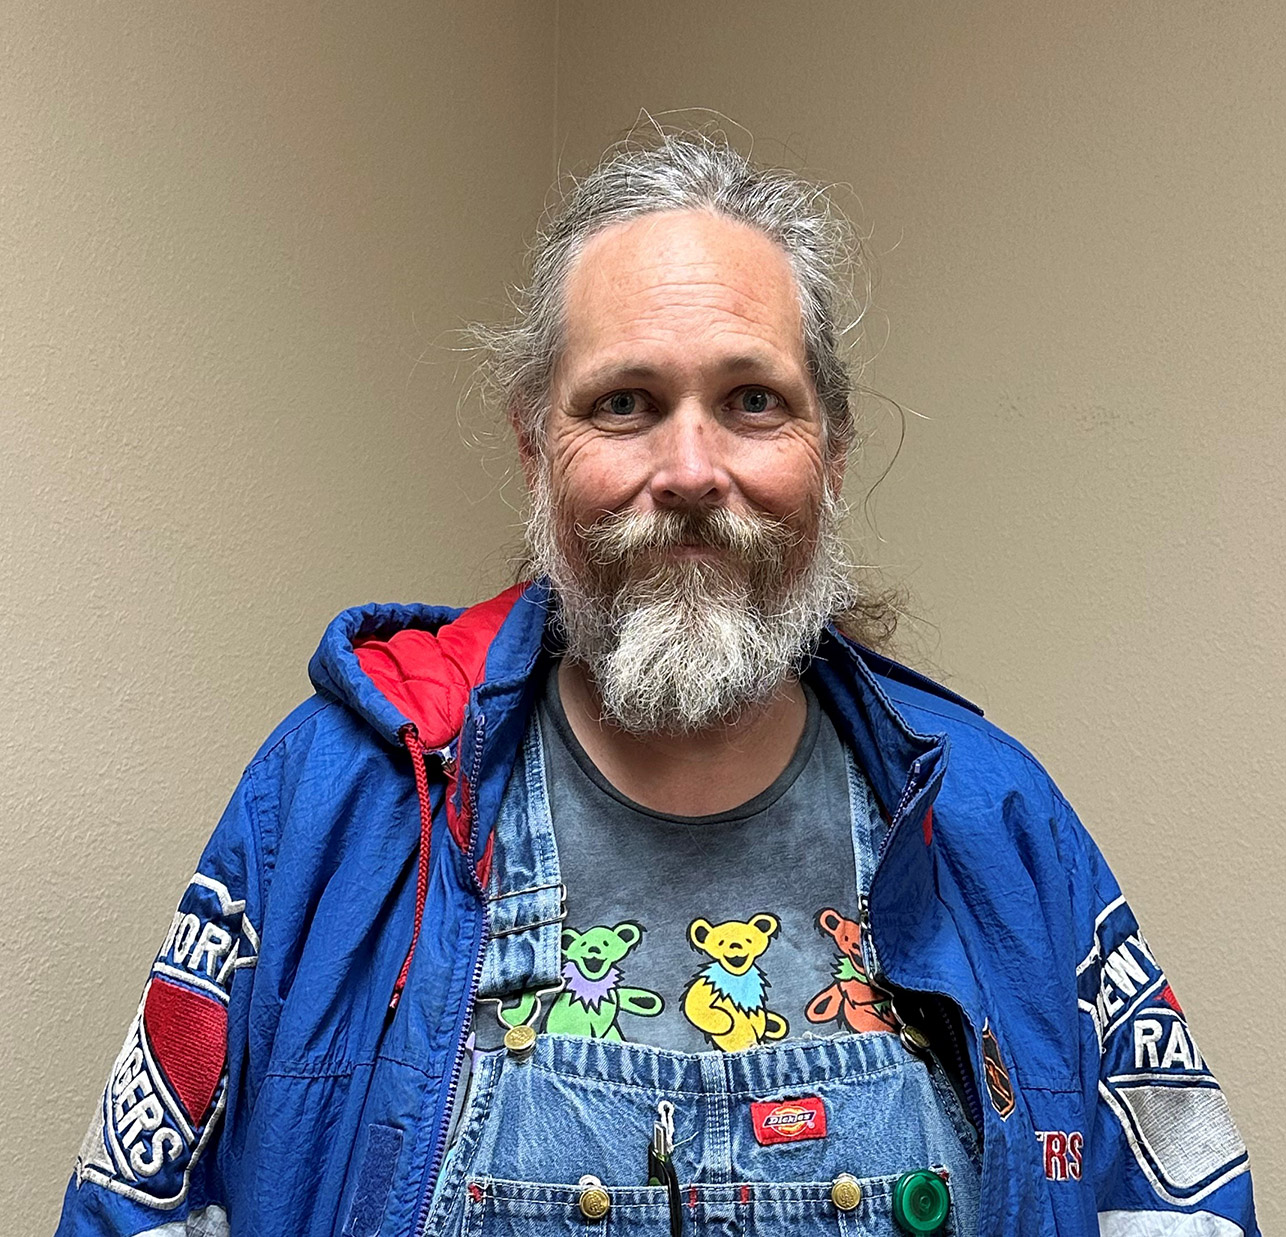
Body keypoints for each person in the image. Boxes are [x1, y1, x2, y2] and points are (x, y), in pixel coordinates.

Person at [55, 129, 1259, 1237]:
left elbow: (1181, 1208)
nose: (688, 470)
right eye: (625, 404)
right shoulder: (330, 804)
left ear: (830, 456)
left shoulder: (997, 823)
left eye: (750, 403)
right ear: (537, 448)